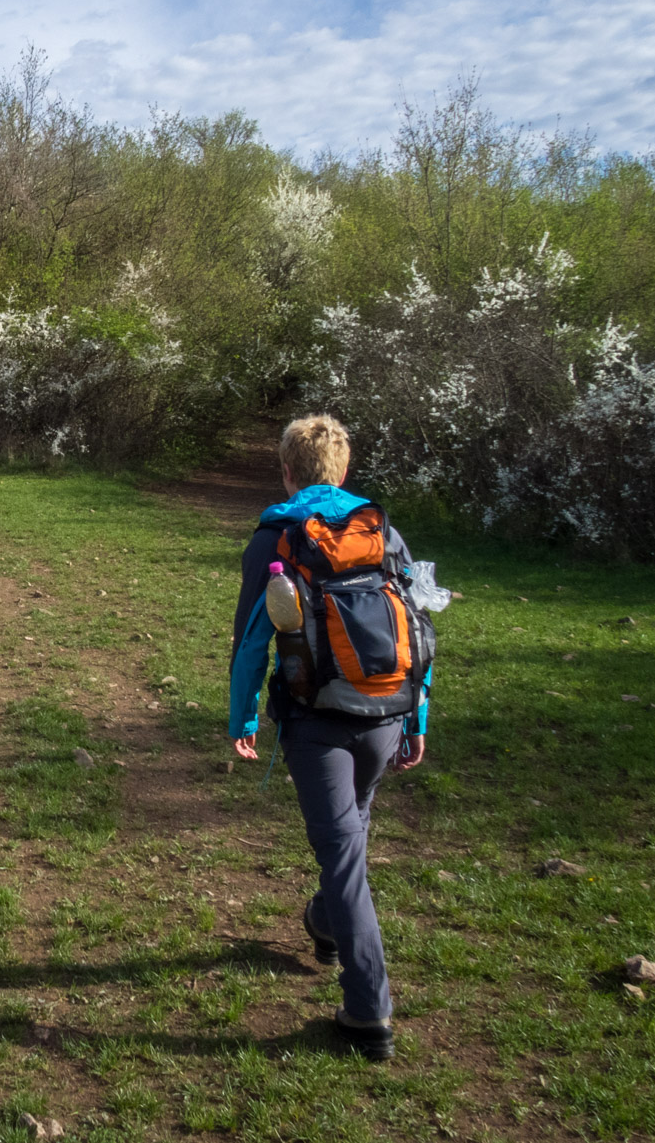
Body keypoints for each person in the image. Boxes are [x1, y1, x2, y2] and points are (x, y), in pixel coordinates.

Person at [227, 414, 429, 1061]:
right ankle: (324, 918)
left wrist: (244, 718)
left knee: (343, 852)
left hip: (316, 721)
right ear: (343, 470)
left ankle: (368, 1009)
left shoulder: (276, 535)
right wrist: (416, 717)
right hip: (386, 714)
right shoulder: (380, 528)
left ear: (287, 472)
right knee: (350, 831)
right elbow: (414, 624)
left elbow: (252, 638)